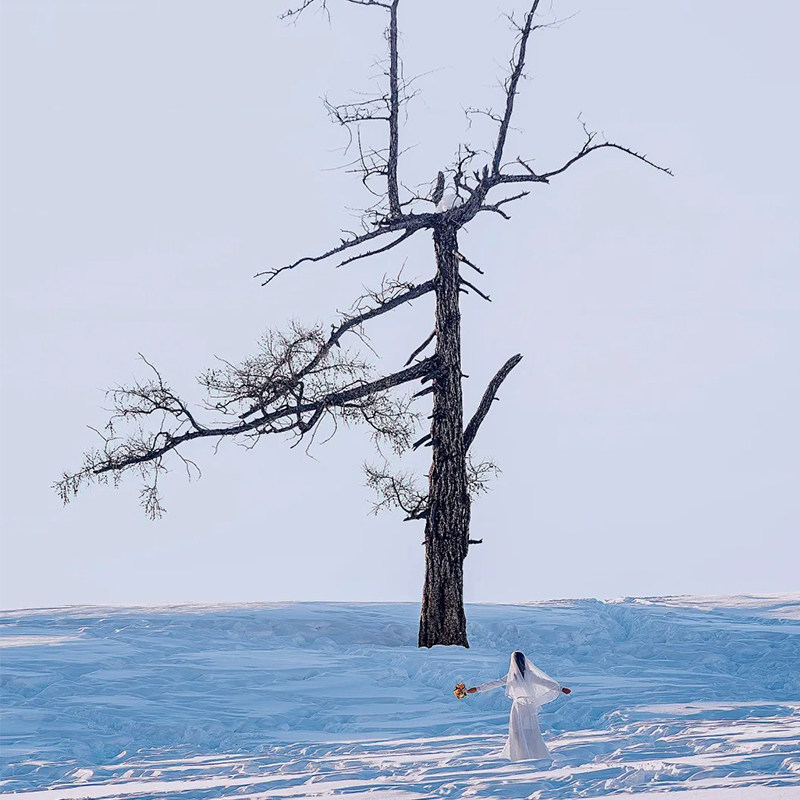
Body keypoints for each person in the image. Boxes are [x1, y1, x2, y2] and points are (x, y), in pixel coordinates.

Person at [460, 651, 571, 761]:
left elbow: (494, 683)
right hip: (528, 706)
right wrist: (560, 689)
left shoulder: (513, 677)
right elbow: (545, 682)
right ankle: (530, 752)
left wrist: (478, 689)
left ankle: (520, 753)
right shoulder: (526, 675)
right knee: (530, 729)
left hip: (519, 706)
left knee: (519, 729)